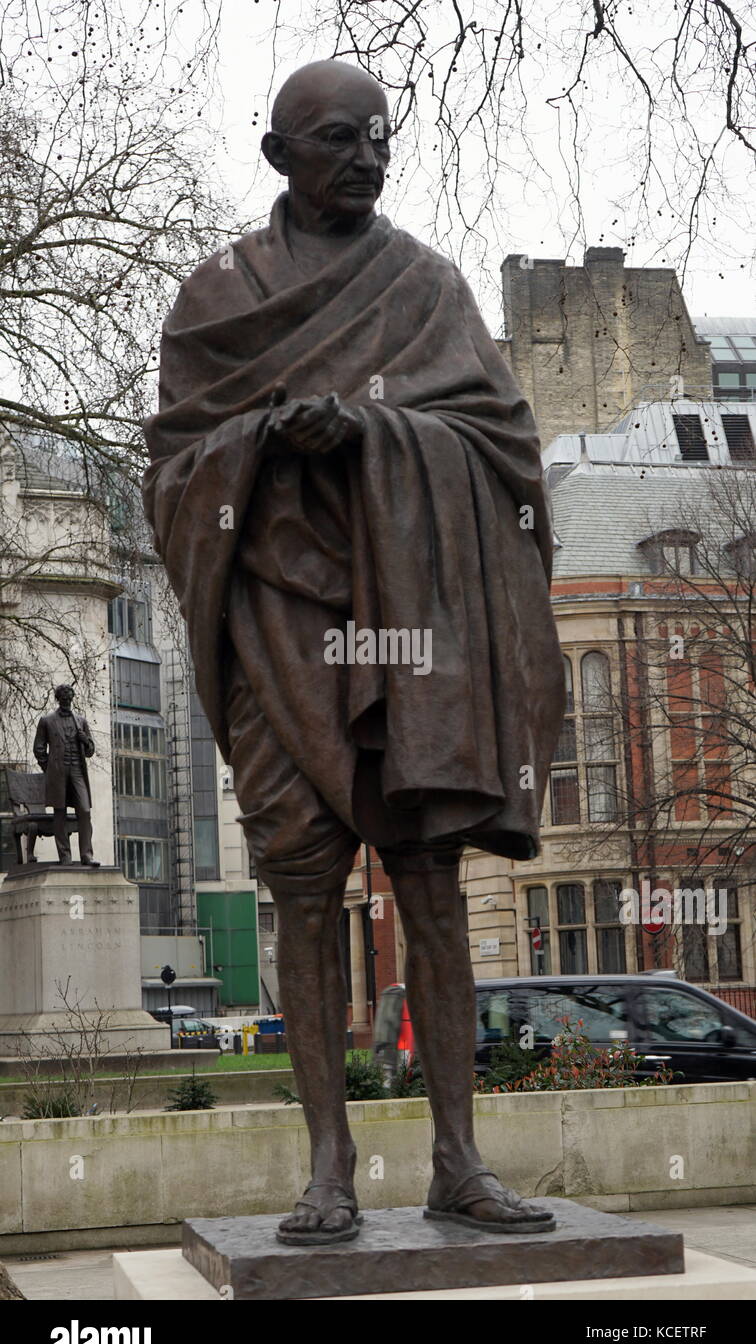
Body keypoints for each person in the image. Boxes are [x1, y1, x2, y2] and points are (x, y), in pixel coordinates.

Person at [143, 60, 566, 1244]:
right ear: (279, 154)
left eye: (381, 138)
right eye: (341, 139)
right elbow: (172, 471)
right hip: (278, 623)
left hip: (408, 629)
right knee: (302, 885)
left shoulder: (426, 286)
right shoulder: (217, 298)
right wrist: (267, 440)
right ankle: (328, 1164)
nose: (369, 158)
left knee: (430, 884)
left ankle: (459, 1161)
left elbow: (505, 449)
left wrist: (376, 430)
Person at [33, 684, 99, 867]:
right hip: (58, 772)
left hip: (77, 769)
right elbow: (39, 748)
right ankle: (65, 856)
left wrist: (85, 741)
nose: (66, 700)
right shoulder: (47, 721)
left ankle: (87, 855)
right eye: (63, 697)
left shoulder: (81, 721)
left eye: (69, 697)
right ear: (58, 698)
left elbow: (90, 751)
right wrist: (49, 767)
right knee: (60, 812)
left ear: (72, 698)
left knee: (84, 810)